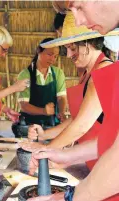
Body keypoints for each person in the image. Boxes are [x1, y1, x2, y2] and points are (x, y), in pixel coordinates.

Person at [25, 1, 119, 200]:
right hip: (98, 169)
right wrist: (60, 149)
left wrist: (70, 197)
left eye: (71, 47)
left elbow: (81, 125)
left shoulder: (103, 71)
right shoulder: (88, 74)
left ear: (87, 42)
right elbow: (109, 138)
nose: (68, 55)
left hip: (106, 176)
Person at [18, 37, 67, 126]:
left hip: (51, 123)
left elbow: (61, 98)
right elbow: (24, 106)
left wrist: (62, 112)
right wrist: (44, 111)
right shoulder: (25, 75)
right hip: (29, 125)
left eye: (55, 56)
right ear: (39, 51)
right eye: (49, 54)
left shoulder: (58, 73)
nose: (52, 59)